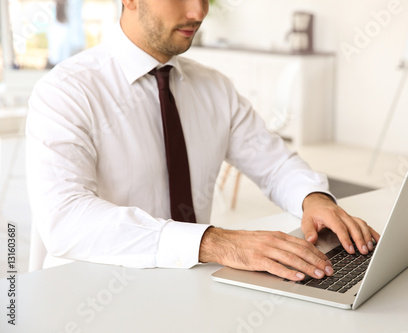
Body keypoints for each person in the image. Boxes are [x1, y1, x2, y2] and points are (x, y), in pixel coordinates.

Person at [26, 0, 380, 282]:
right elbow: (65, 218)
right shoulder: (66, 91)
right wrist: (214, 242)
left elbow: (274, 165)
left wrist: (313, 199)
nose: (197, 12)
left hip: (189, 285)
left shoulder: (214, 87)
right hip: (88, 289)